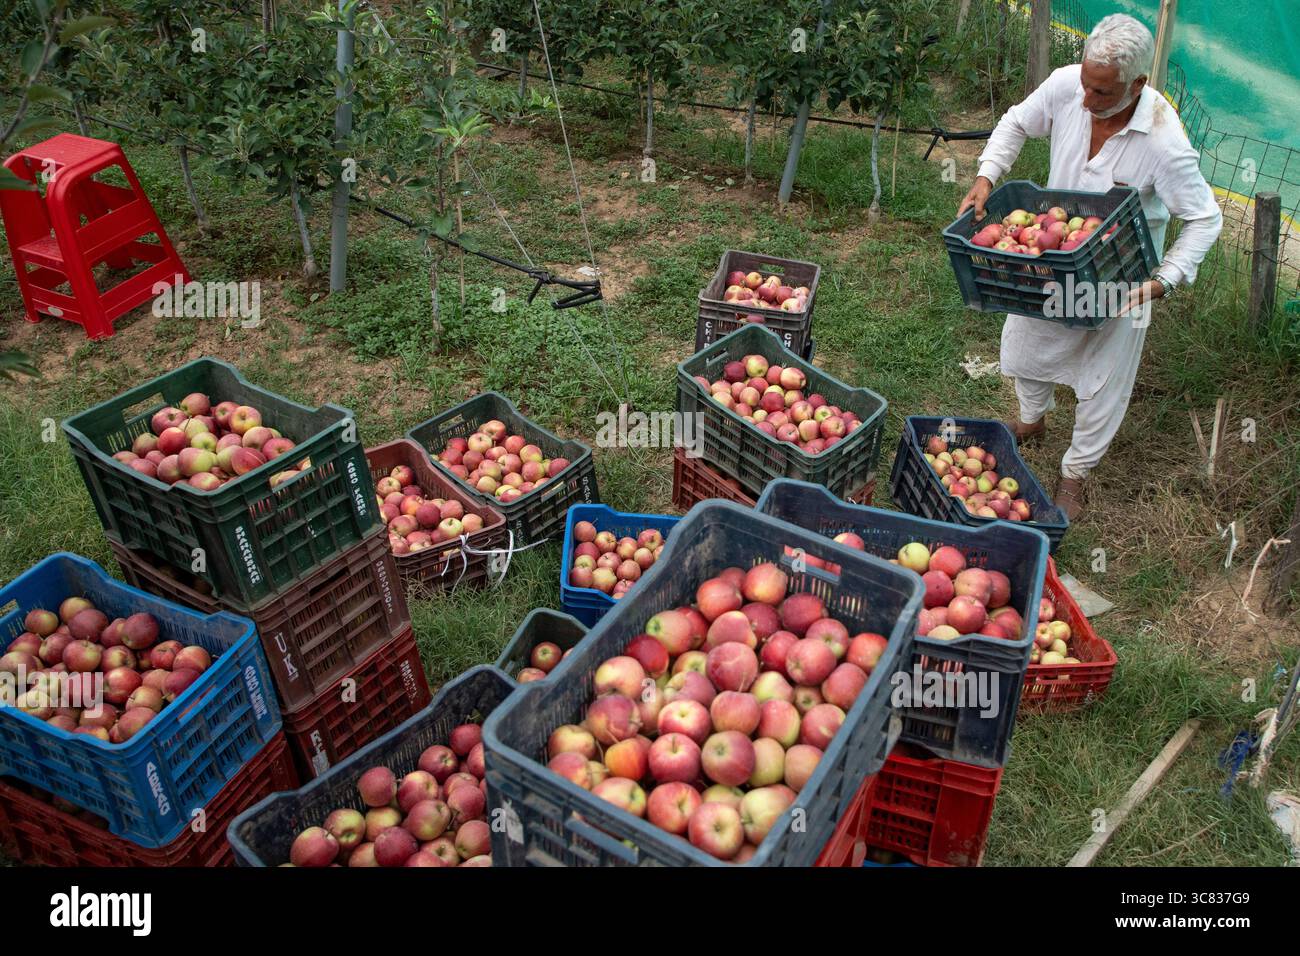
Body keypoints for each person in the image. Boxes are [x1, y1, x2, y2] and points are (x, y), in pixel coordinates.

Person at [957, 13, 1222, 521]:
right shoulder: (1067, 86)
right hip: (1053, 254)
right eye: (1085, 84)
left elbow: (1205, 219)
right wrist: (987, 176)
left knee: (1104, 374)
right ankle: (1032, 421)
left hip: (1121, 272)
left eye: (1101, 93)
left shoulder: (1164, 143)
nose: (1086, 101)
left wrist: (1163, 280)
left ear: (1137, 85)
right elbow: (1015, 121)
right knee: (1027, 339)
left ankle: (1075, 471)